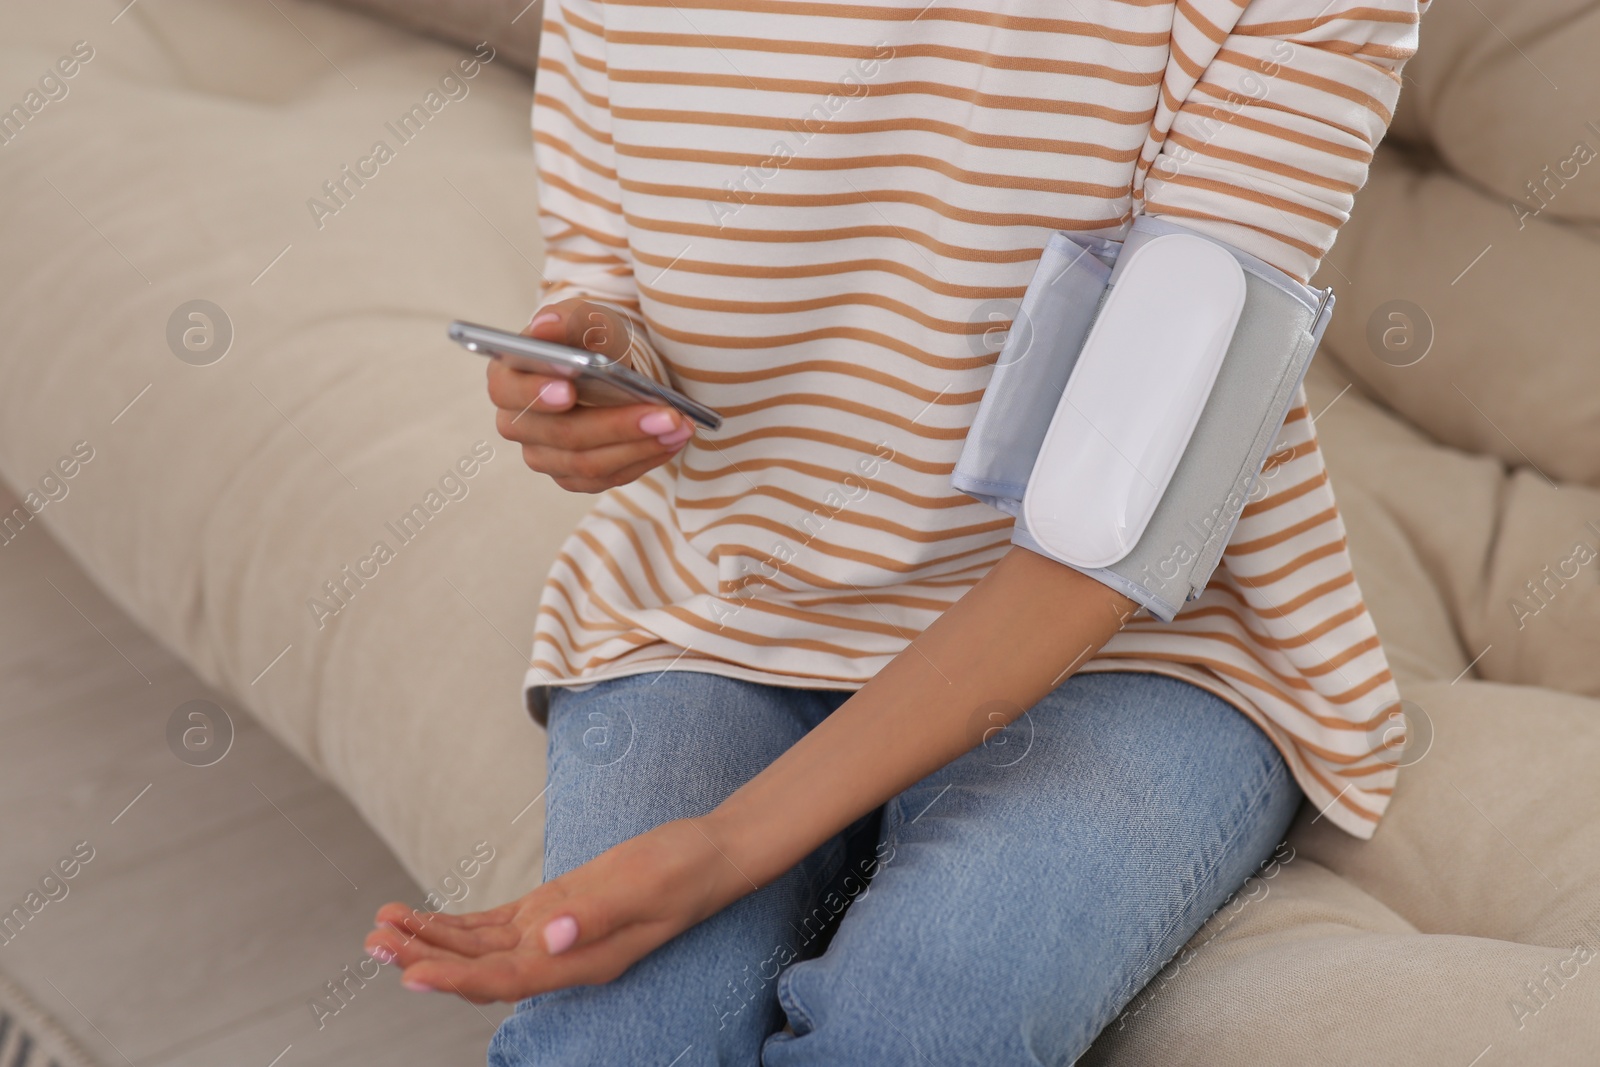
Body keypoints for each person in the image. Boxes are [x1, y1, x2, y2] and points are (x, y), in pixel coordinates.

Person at [365, 1, 1429, 1062]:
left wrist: (724, 843)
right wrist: (607, 372)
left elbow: (1120, 511)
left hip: (1141, 649)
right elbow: (607, 273)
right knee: (616, 1046)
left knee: (914, 1030)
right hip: (730, 602)